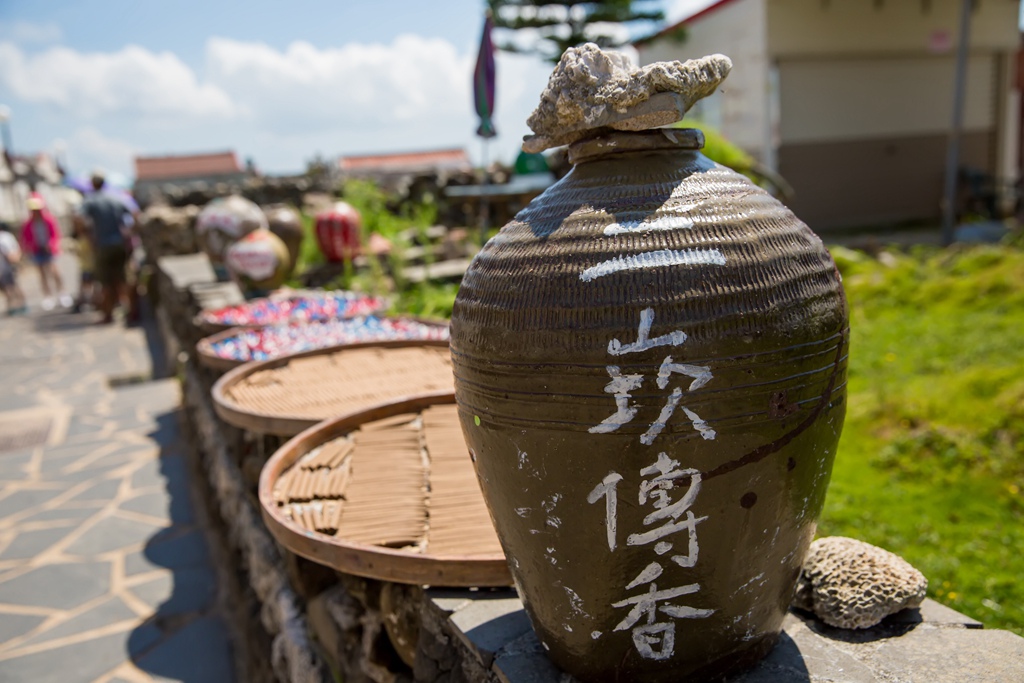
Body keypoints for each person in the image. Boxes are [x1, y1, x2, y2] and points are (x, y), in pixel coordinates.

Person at [76, 171, 133, 324]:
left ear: (93, 184)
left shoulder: (90, 200)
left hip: (102, 245)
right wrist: (129, 235)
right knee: (122, 279)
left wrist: (87, 236)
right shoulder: (116, 198)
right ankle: (129, 311)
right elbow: (134, 214)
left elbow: (78, 217)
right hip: (120, 243)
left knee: (105, 282)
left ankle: (109, 314)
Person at [20, 193, 70, 310]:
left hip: (49, 250)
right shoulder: (28, 223)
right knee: (42, 274)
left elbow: (55, 234)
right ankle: (48, 296)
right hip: (37, 250)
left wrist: (51, 244)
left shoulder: (48, 219)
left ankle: (62, 293)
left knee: (54, 271)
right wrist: (28, 247)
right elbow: (25, 238)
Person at [0, 223, 27, 314]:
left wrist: (16, 261)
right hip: (7, 266)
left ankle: (18, 306)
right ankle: (15, 306)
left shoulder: (3, 238)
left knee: (11, 287)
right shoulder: (8, 236)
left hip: (6, 267)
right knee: (10, 287)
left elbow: (10, 255)